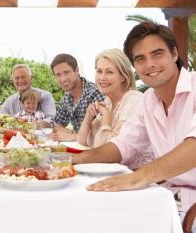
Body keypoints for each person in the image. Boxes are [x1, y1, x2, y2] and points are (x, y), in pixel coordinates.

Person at [73, 22, 196, 222]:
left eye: (157, 54)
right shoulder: (148, 100)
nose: (150, 64)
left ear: (174, 54)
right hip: (168, 200)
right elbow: (124, 145)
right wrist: (73, 159)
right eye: (140, 59)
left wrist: (138, 177)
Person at [77, 48, 154, 170]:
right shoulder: (107, 102)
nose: (102, 77)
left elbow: (107, 153)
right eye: (99, 71)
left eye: (109, 72)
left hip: (135, 176)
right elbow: (83, 142)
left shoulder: (134, 101)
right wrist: (88, 117)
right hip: (112, 172)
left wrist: (106, 118)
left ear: (123, 76)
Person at [50, 53, 104, 141]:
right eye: (58, 75)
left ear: (77, 70)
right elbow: (56, 124)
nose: (63, 79)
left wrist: (72, 136)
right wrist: (70, 133)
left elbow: (103, 135)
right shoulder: (66, 98)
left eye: (66, 72)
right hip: (79, 147)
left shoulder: (95, 93)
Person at [1, 64, 55, 128]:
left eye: (23, 77)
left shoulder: (46, 96)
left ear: (31, 78)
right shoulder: (9, 102)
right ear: (13, 81)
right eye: (17, 78)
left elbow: (52, 120)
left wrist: (32, 125)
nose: (20, 80)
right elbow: (2, 121)